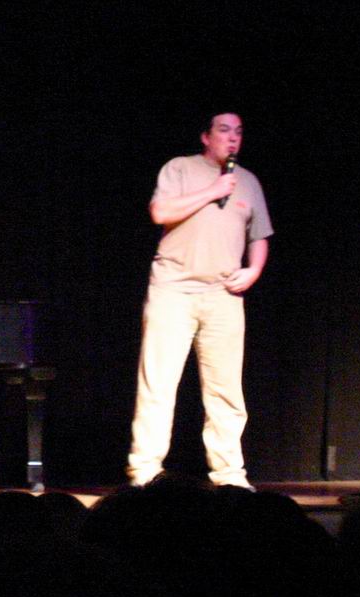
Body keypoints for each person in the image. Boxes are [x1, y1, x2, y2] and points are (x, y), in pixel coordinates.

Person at [127, 112, 273, 489]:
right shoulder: (180, 168)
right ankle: (144, 471)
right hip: (173, 290)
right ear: (206, 137)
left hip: (223, 294)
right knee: (158, 384)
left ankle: (229, 475)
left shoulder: (248, 182)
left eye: (238, 131)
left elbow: (259, 235)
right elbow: (161, 212)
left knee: (225, 390)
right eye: (224, 130)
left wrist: (254, 270)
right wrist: (213, 190)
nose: (233, 138)